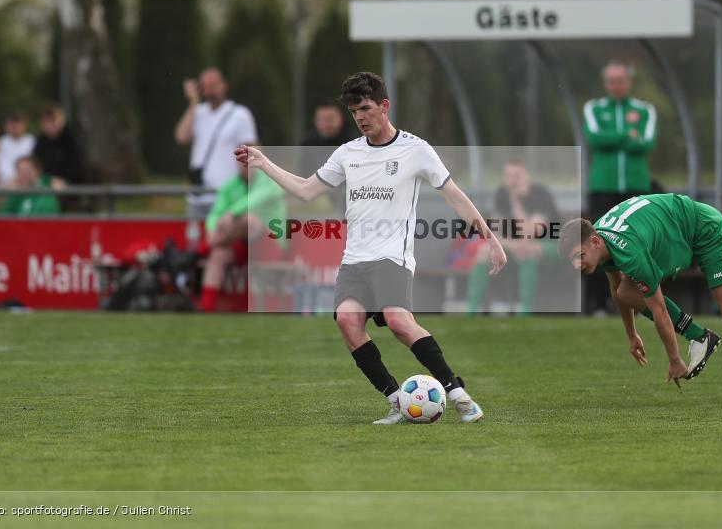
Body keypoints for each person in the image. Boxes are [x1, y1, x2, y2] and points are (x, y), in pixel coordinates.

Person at [235, 71, 507, 424]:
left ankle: (458, 394)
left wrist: (489, 236)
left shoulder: (416, 150)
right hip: (354, 260)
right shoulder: (348, 153)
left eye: (364, 108)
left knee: (397, 322)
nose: (360, 117)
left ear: (384, 106)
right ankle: (397, 401)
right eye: (354, 111)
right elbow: (305, 190)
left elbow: (453, 194)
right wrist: (263, 162)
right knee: (348, 321)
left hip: (392, 256)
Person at [560, 193, 722, 405]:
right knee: (626, 291)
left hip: (706, 230)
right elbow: (616, 288)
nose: (577, 265)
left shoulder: (630, 254)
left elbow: (659, 310)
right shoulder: (600, 240)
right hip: (678, 231)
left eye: (579, 256)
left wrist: (674, 360)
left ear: (594, 242)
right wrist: (632, 335)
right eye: (572, 260)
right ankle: (700, 336)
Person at [583, 60, 657, 315]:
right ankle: (599, 304)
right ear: (605, 83)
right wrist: (627, 134)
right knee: (597, 243)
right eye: (611, 81)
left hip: (635, 189)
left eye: (621, 80)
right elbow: (595, 138)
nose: (616, 86)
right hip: (603, 187)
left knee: (639, 244)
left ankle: (642, 301)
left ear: (629, 82)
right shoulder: (593, 108)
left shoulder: (644, 109)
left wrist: (613, 137)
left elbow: (645, 143)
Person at [465, 157, 559, 315]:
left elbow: (529, 234)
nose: (512, 181)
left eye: (517, 175)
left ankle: (525, 311)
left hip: (548, 245)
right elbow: (494, 234)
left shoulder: (540, 194)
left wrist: (516, 200)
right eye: (508, 176)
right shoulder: (502, 194)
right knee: (483, 251)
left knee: (528, 251)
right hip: (515, 247)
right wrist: (511, 245)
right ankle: (471, 311)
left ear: (526, 175)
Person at [199, 162, 287, 312]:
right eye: (241, 162)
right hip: (240, 242)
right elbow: (215, 213)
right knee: (218, 255)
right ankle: (207, 309)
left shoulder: (271, 181)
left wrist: (231, 214)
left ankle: (209, 245)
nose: (245, 166)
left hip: (268, 244)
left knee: (249, 219)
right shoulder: (230, 186)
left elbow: (254, 200)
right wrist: (212, 228)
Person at [175, 68, 258, 219]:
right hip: (197, 196)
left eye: (214, 85)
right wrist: (193, 101)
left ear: (224, 85)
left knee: (220, 240)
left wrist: (249, 185)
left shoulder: (240, 115)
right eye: (205, 86)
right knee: (195, 241)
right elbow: (182, 137)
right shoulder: (198, 112)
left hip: (226, 195)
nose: (210, 90)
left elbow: (249, 155)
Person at [298, 100, 354, 176]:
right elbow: (303, 173)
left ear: (341, 118)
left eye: (331, 119)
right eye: (322, 119)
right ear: (315, 120)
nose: (327, 124)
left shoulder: (353, 143)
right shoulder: (307, 143)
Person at [34, 102, 83, 186]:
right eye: (46, 122)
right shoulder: (40, 141)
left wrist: (63, 179)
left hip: (69, 182)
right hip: (46, 180)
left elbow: (75, 166)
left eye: (52, 122)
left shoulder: (71, 139)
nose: (49, 126)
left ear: (62, 121)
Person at [0, 112, 36, 186]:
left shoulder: (32, 141)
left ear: (24, 125)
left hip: (27, 182)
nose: (14, 126)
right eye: (11, 124)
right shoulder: (1, 142)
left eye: (17, 123)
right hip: (4, 183)